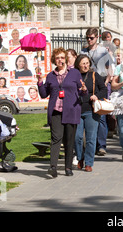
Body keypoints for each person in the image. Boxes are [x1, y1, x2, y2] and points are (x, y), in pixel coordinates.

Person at [37, 47, 85, 178]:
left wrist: (84, 90)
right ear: (54, 60)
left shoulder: (74, 73)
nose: (60, 60)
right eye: (57, 58)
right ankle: (52, 167)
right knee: (55, 139)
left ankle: (68, 167)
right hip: (56, 112)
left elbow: (81, 91)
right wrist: (40, 83)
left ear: (66, 60)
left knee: (69, 140)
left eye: (62, 57)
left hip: (71, 110)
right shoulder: (51, 76)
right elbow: (43, 94)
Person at [80, 27, 113, 156]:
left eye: (91, 38)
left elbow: (109, 68)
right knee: (89, 114)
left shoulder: (103, 51)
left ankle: (101, 145)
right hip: (87, 84)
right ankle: (90, 144)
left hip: (100, 82)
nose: (89, 40)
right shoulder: (83, 51)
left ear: (96, 38)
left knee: (101, 115)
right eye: (87, 37)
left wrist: (105, 83)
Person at [74, 54, 107, 172]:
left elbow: (104, 89)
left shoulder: (94, 75)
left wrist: (96, 96)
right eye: (83, 63)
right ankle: (80, 158)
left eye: (87, 63)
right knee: (77, 137)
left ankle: (88, 163)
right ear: (78, 64)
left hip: (91, 111)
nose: (85, 65)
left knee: (90, 138)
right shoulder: (74, 76)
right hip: (76, 110)